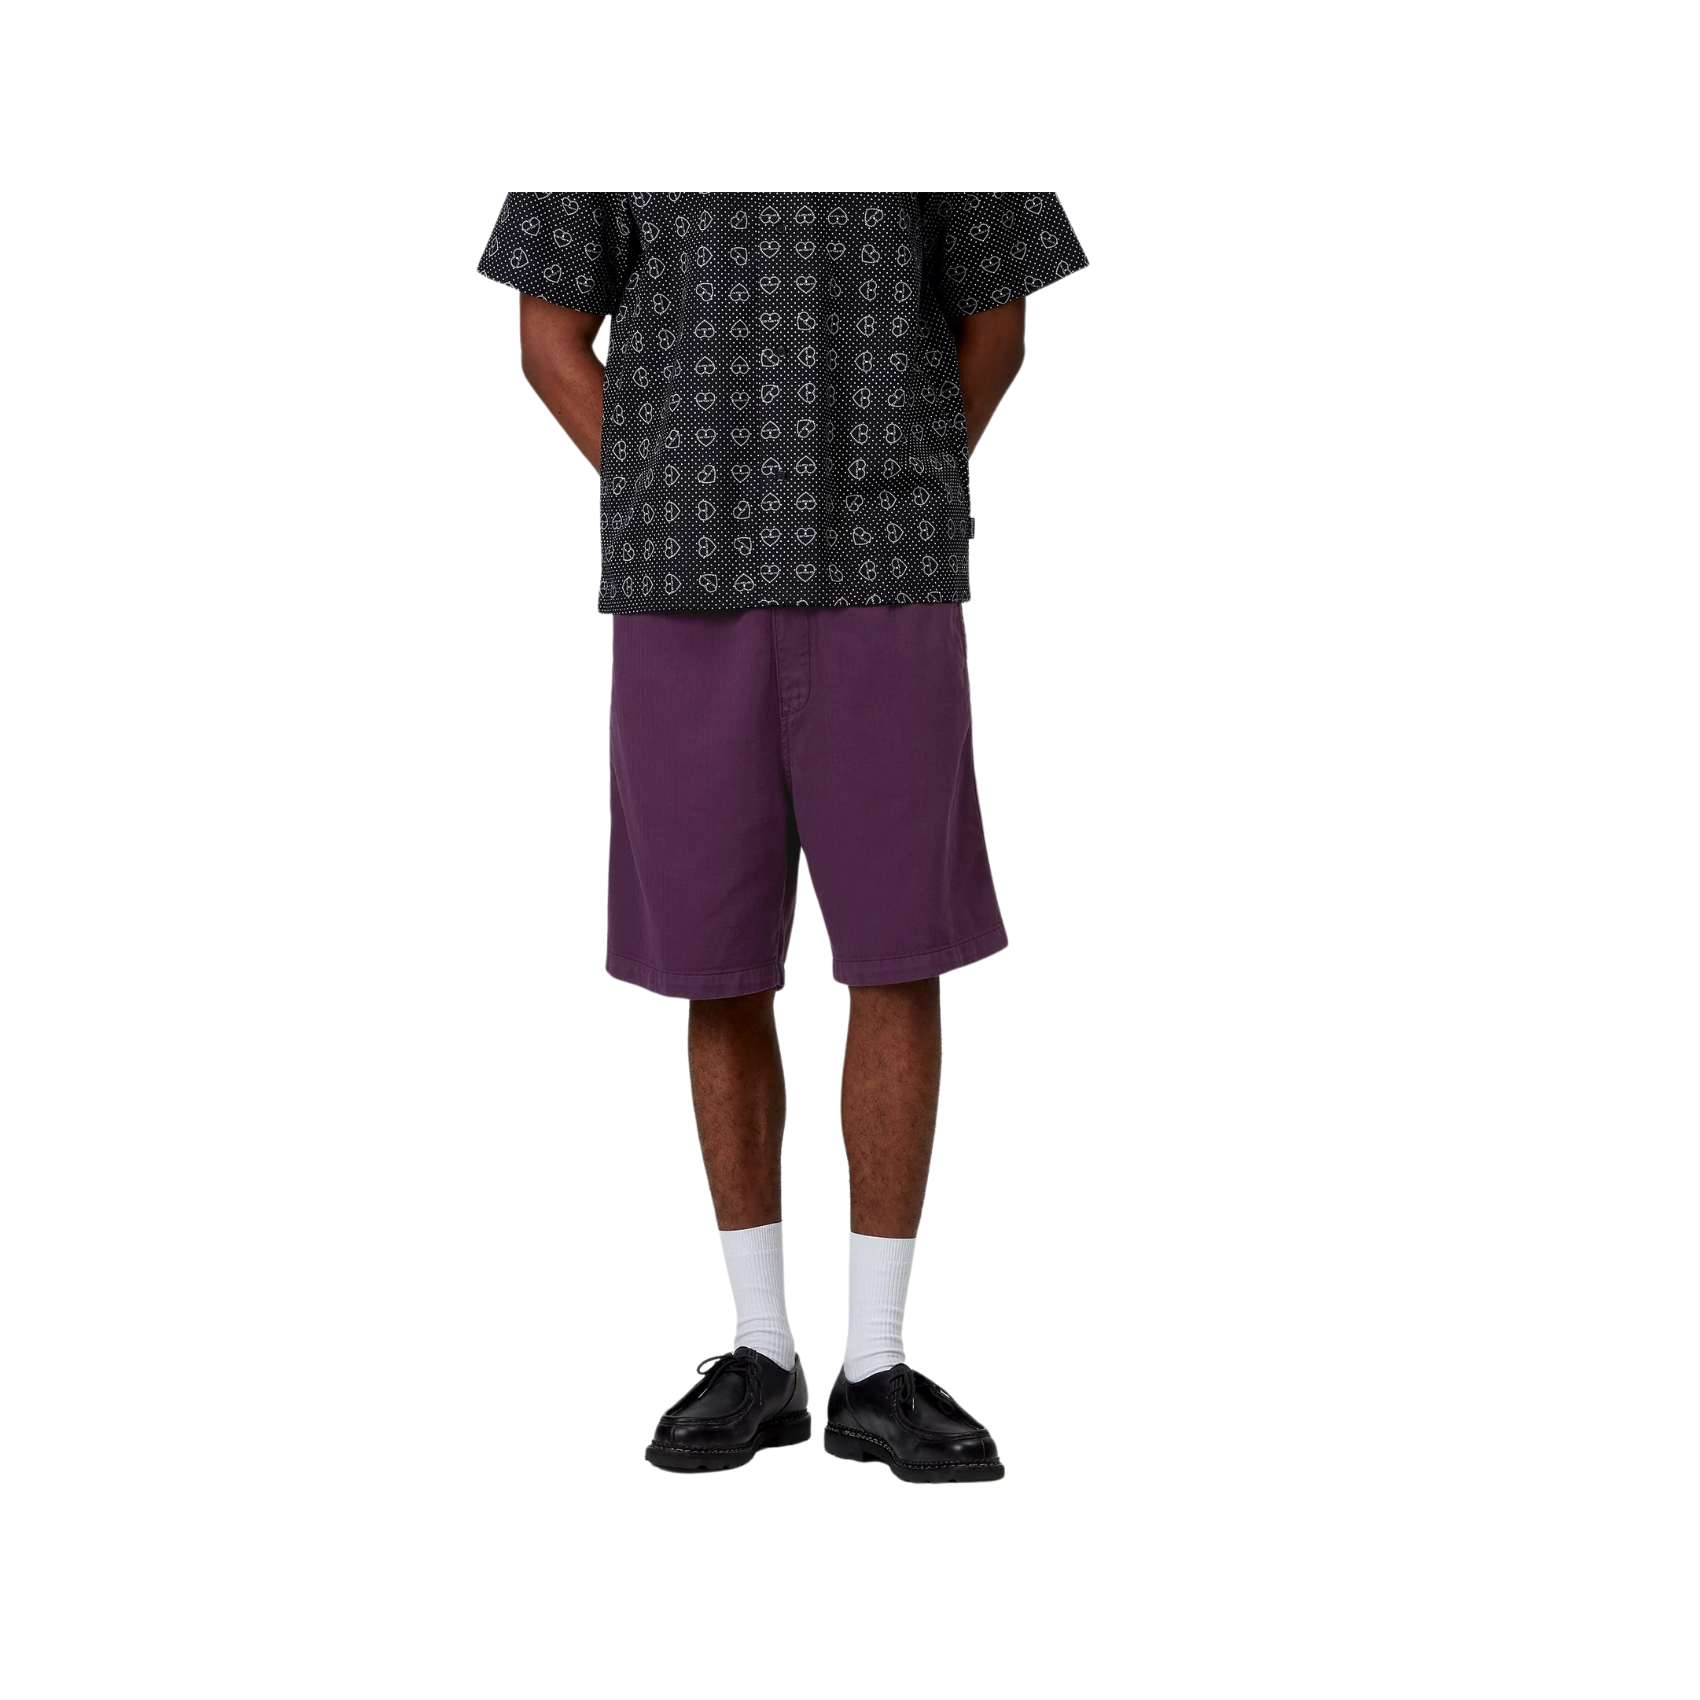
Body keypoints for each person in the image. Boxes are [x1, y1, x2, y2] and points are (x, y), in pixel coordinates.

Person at [479, 192, 1087, 1482]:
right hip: (684, 583)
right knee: (716, 965)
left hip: (888, 573)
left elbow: (999, 320)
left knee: (900, 954)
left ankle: (877, 1364)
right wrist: (670, 491)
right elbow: (547, 334)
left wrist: (901, 481)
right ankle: (761, 1353)